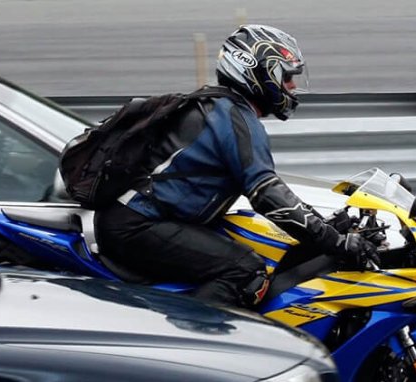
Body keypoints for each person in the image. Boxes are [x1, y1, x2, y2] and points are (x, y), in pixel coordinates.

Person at [94, 24, 379, 308]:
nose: (292, 87)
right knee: (246, 271)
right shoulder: (235, 119)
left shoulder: (220, 106)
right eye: (287, 77)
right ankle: (188, 348)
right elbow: (269, 195)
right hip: (137, 225)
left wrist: (329, 226)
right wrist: (336, 242)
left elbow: (271, 191)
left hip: (138, 219)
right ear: (258, 73)